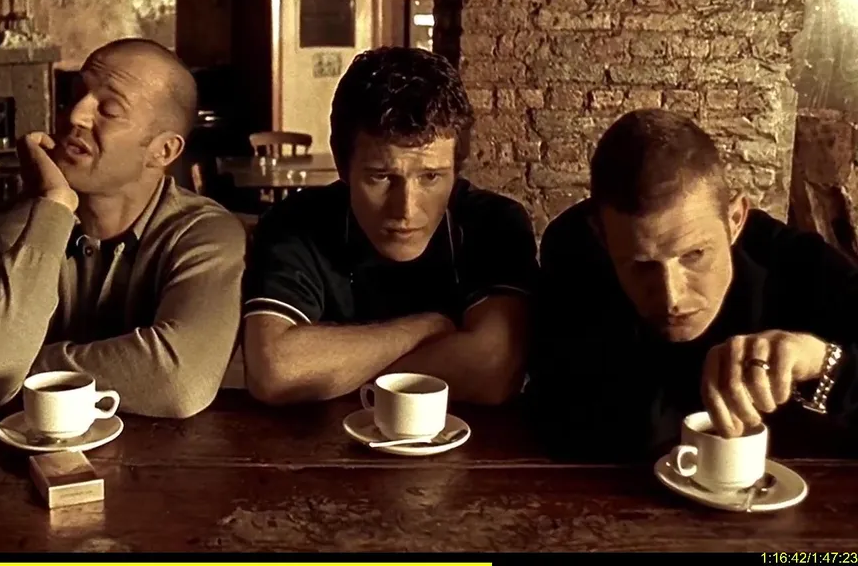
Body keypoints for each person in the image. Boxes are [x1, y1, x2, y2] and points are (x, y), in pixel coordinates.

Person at [0, 38, 246, 418]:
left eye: (109, 110)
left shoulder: (204, 234)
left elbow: (178, 382)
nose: (76, 116)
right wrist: (53, 207)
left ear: (163, 151)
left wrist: (19, 370)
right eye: (74, 96)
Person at [529, 109, 858, 462]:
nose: (672, 296)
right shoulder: (575, 252)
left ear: (735, 219)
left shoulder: (798, 262)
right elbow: (563, 418)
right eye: (642, 265)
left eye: (694, 255)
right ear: (602, 236)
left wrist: (824, 364)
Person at [240, 47, 538, 406]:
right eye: (381, 177)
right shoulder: (295, 222)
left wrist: (334, 373)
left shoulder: (492, 223)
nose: (406, 209)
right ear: (343, 164)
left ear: (456, 169)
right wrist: (426, 328)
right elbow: (275, 372)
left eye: (430, 177)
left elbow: (492, 371)